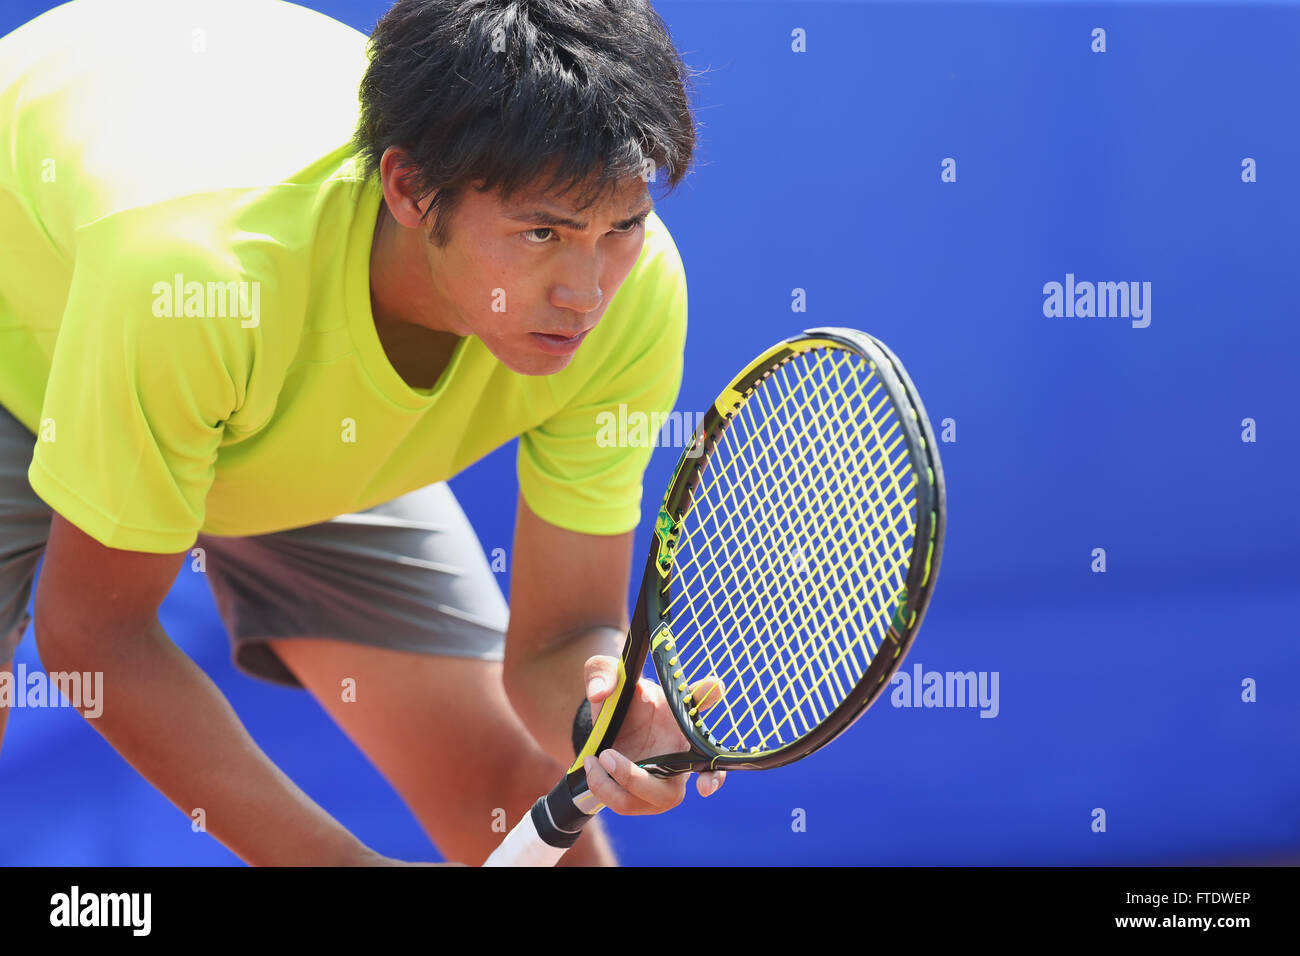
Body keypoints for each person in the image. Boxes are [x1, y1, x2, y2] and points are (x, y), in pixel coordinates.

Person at [0, 0, 725, 866]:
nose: (586, 292)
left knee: (503, 792)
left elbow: (560, 644)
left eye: (623, 228)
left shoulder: (633, 299)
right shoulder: (198, 273)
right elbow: (93, 635)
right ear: (411, 189)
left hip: (247, 382)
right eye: (542, 232)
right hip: (39, 319)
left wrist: (599, 710)